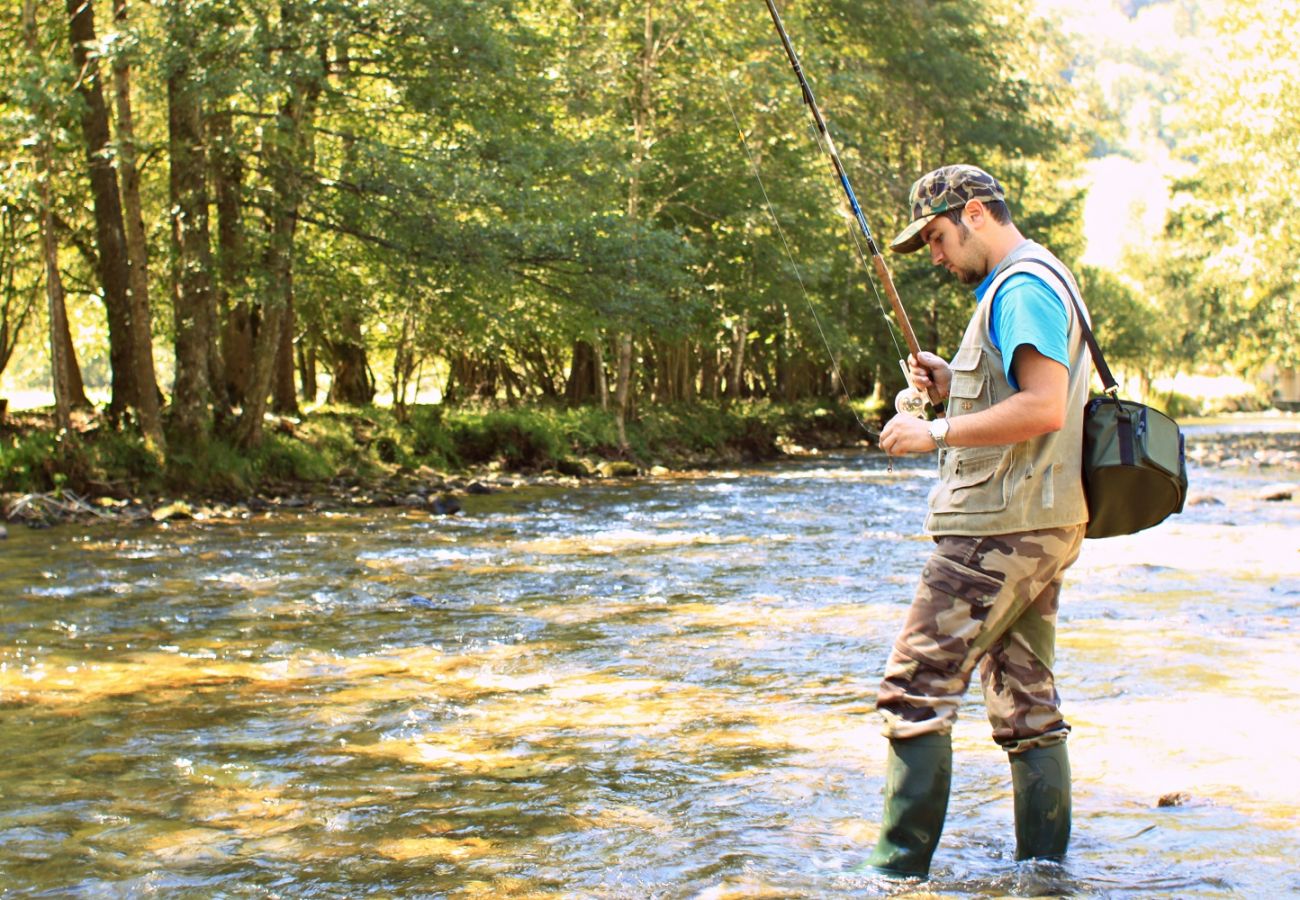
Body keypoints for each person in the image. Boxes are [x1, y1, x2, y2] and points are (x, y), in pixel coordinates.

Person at [867, 164, 1093, 877]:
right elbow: (1015, 391)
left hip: (1000, 528)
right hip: (1040, 520)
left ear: (975, 214)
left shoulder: (1022, 287)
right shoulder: (1029, 279)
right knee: (1026, 701)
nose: (934, 256)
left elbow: (1043, 407)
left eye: (936, 237)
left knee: (915, 686)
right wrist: (953, 384)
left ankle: (894, 878)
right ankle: (1045, 876)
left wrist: (933, 434)